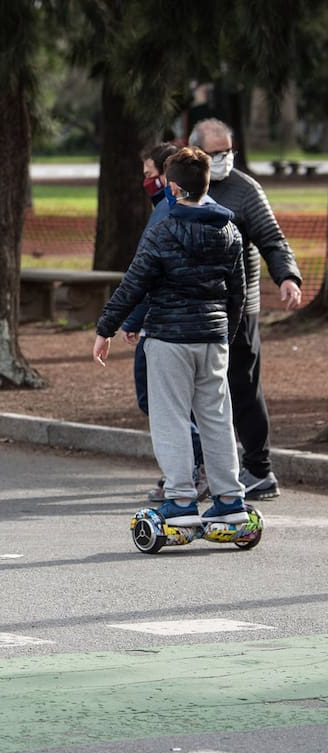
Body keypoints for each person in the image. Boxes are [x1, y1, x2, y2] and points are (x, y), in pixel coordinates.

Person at [93, 147, 248, 527]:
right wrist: (224, 333)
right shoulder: (230, 231)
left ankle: (180, 499)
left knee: (171, 418)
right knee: (216, 416)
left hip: (168, 337)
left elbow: (134, 283)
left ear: (173, 188)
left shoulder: (163, 230)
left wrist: (105, 329)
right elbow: (237, 293)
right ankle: (229, 497)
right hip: (212, 339)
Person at [189, 118, 303, 500]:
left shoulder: (244, 189)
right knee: (195, 391)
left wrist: (287, 277)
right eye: (214, 153)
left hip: (239, 307)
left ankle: (258, 468)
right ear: (195, 153)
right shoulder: (181, 186)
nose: (223, 158)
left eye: (228, 151)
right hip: (192, 309)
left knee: (242, 385)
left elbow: (272, 239)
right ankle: (201, 467)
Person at [123, 142, 208, 503]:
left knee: (160, 403)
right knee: (189, 406)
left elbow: (147, 275)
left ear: (167, 178)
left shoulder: (168, 216)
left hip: (164, 327)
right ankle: (193, 470)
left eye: (149, 175)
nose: (146, 182)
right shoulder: (189, 213)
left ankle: (194, 470)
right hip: (195, 328)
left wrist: (129, 318)